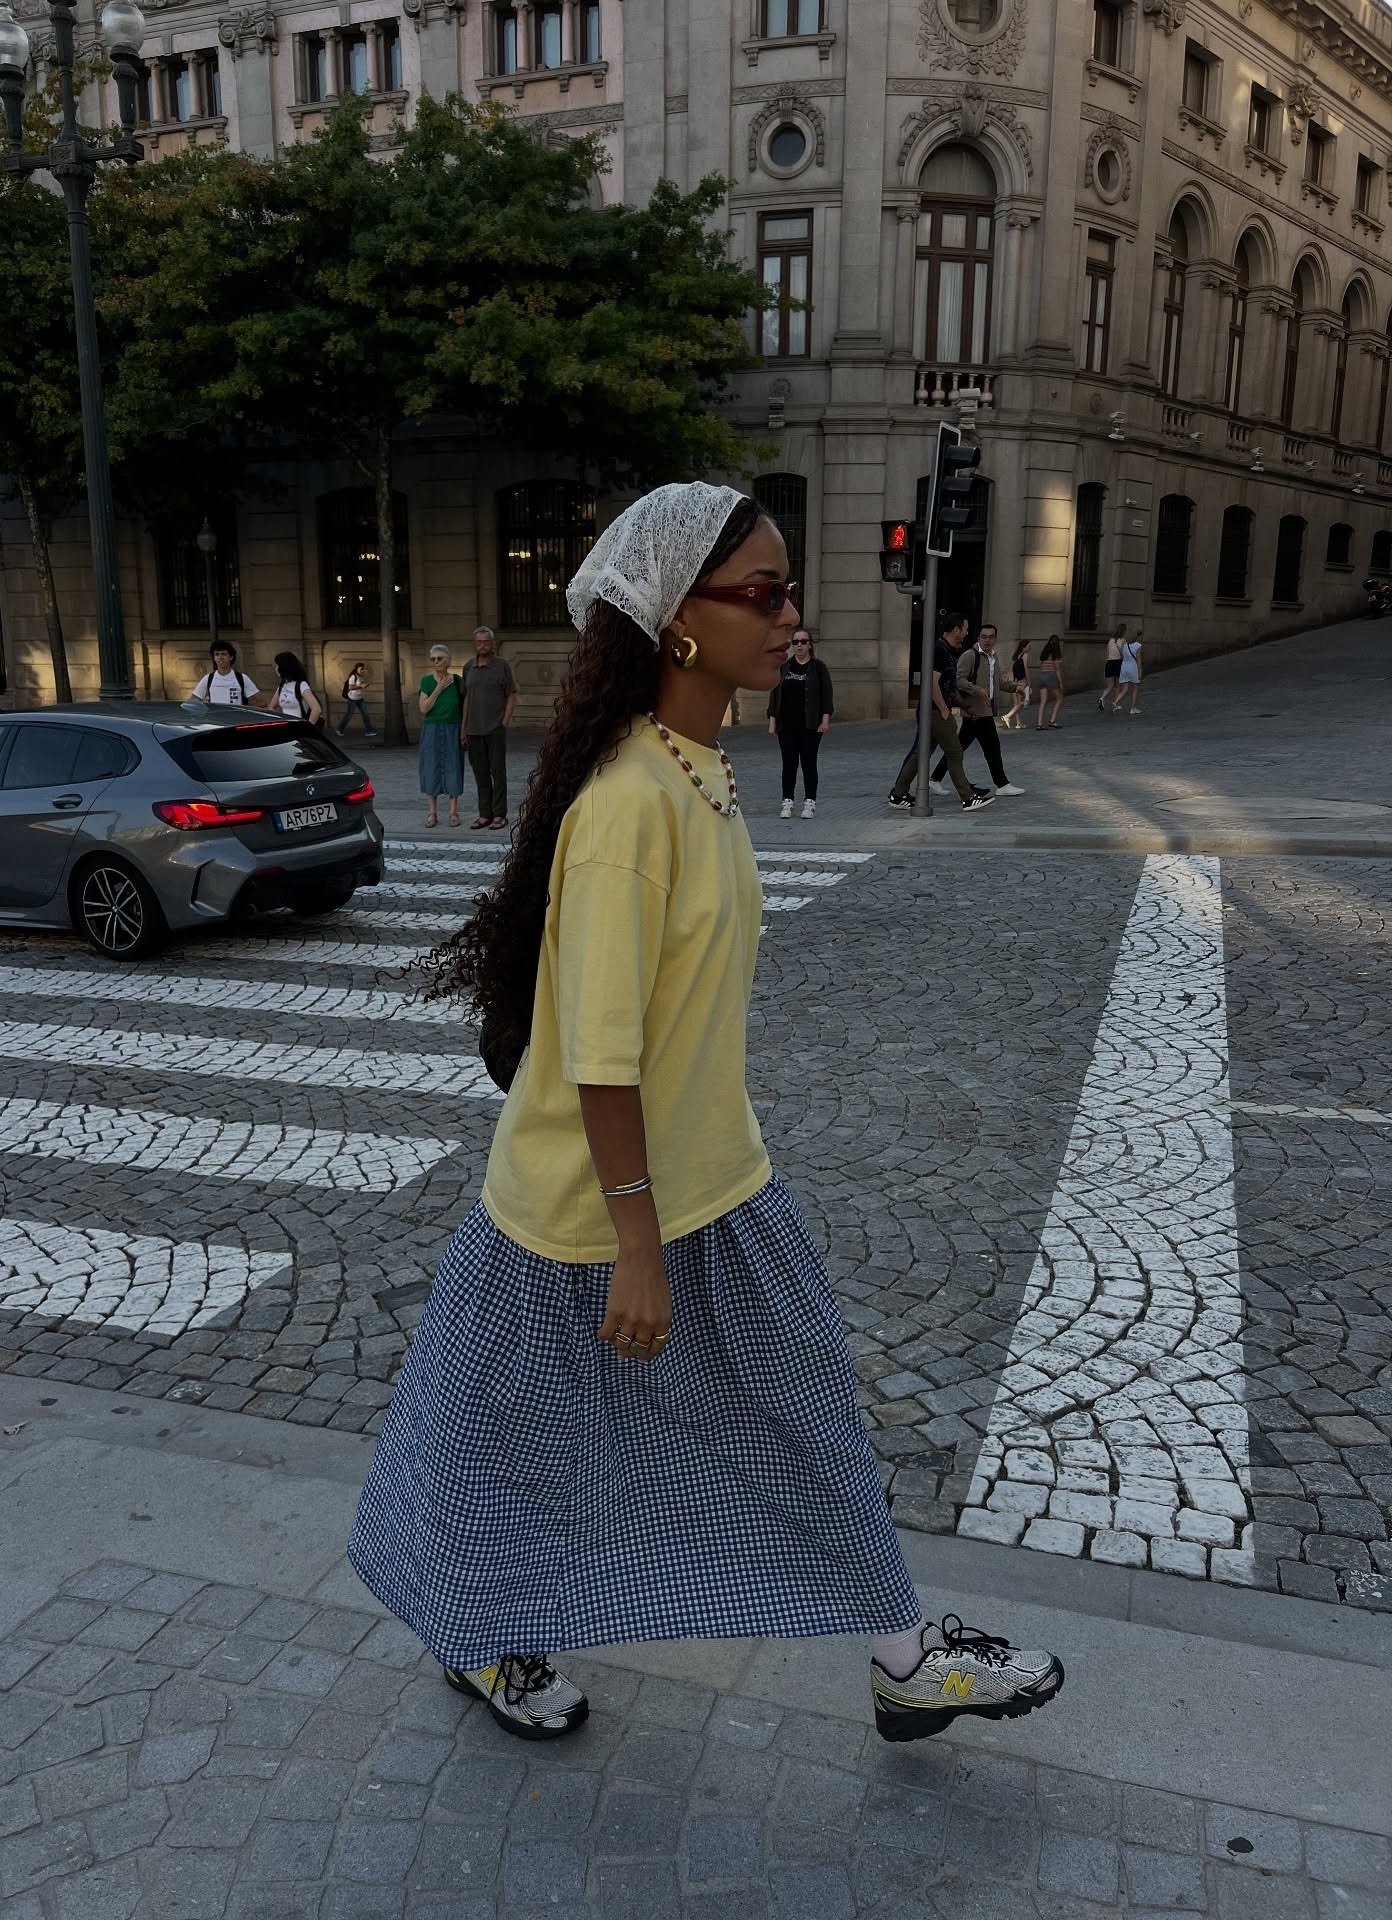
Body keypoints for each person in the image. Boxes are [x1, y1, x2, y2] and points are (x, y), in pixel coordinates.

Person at [346, 483, 1063, 1743]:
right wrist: (635, 1243)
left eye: (789, 590)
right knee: (505, 1455)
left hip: (719, 1184)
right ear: (675, 620)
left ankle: (903, 1660)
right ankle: (486, 1642)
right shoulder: (630, 807)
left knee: (808, 1420)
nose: (793, 615)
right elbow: (603, 1059)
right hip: (581, 1215)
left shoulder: (701, 774)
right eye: (766, 593)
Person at [887, 611, 992, 813]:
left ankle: (898, 795)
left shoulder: (948, 650)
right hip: (934, 711)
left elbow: (948, 686)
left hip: (934, 711)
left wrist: (964, 706)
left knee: (921, 754)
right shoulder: (940, 650)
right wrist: (944, 709)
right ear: (956, 630)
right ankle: (968, 798)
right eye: (965, 629)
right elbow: (932, 682)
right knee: (954, 752)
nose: (967, 633)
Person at [931, 621, 1026, 797]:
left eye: (991, 637)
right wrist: (976, 690)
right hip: (975, 710)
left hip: (983, 711)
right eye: (984, 637)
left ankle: (935, 779)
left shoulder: (994, 657)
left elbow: (998, 683)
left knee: (959, 748)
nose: (987, 640)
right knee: (991, 748)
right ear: (978, 638)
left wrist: (1015, 687)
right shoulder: (970, 655)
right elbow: (958, 680)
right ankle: (1002, 784)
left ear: (995, 639)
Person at [767, 627, 833, 819]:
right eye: (795, 642)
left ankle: (809, 803)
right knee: (789, 764)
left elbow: (827, 696)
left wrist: (825, 720)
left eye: (803, 641)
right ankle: (787, 802)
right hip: (786, 725)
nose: (799, 645)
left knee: (808, 763)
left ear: (810, 645)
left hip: (810, 725)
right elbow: (774, 695)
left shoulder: (818, 667)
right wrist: (772, 721)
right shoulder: (784, 667)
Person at [460, 626, 518, 829]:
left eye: (486, 641)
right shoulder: (468, 667)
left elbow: (511, 694)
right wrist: (463, 728)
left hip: (495, 729)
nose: (482, 645)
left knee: (498, 773)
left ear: (492, 644)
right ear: (474, 644)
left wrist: (505, 721)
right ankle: (485, 814)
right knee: (481, 774)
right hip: (473, 731)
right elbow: (466, 699)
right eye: (479, 642)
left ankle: (500, 815)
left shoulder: (502, 666)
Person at [418, 645, 464, 829]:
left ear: (449, 660)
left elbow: (463, 707)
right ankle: (432, 813)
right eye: (433, 659)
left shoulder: (458, 681)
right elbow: (424, 709)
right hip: (432, 729)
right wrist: (438, 689)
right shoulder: (427, 681)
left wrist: (464, 729)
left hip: (453, 728)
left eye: (440, 658)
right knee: (431, 768)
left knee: (453, 767)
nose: (436, 662)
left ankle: (453, 812)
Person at [266, 651, 323, 727]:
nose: (276, 668)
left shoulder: (301, 685)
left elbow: (316, 709)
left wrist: (307, 729)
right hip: (286, 730)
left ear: (284, 666)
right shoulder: (282, 686)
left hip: (299, 731)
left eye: (277, 665)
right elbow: (271, 707)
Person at [191, 642, 258, 707]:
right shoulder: (208, 679)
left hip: (236, 718)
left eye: (224, 654)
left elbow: (262, 702)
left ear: (231, 657)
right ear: (214, 658)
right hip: (214, 718)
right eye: (217, 654)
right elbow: (192, 702)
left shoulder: (242, 678)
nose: (220, 657)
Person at [335, 662, 377, 737]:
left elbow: (361, 685)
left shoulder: (361, 676)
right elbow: (350, 687)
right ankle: (339, 729)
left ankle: (369, 731)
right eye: (361, 669)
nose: (362, 670)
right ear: (356, 669)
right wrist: (361, 686)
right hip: (352, 699)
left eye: (363, 669)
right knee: (349, 715)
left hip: (360, 698)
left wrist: (365, 685)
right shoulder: (353, 676)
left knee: (365, 715)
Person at [1000, 638, 1032, 730]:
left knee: (1016, 704)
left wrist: (1008, 680)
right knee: (1022, 702)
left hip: (1014, 682)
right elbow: (1026, 668)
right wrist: (1029, 682)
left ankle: (1019, 723)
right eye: (1029, 646)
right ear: (1024, 647)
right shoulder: (1025, 655)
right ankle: (1007, 716)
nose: (1030, 648)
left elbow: (1011, 669)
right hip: (1022, 682)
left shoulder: (1017, 655)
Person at [1034, 636, 1065, 730]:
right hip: (1051, 676)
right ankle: (1052, 721)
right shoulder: (1056, 654)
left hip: (1042, 676)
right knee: (1060, 698)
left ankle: (1039, 724)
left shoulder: (1044, 653)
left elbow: (1041, 666)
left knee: (1043, 701)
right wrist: (1060, 682)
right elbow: (1058, 670)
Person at [1111, 630, 1144, 713]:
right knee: (1135, 688)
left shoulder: (1124, 645)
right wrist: (1140, 671)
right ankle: (1133, 708)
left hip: (1124, 667)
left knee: (1125, 688)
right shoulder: (1138, 645)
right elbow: (1138, 660)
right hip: (1133, 667)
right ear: (1136, 636)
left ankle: (1115, 702)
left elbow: (1123, 656)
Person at [1098, 624, 1127, 712]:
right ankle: (1115, 704)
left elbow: (1107, 653)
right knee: (1118, 685)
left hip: (1109, 663)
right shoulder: (1123, 641)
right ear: (1123, 631)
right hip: (1117, 663)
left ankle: (1102, 698)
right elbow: (1124, 654)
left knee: (1110, 686)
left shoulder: (1110, 640)